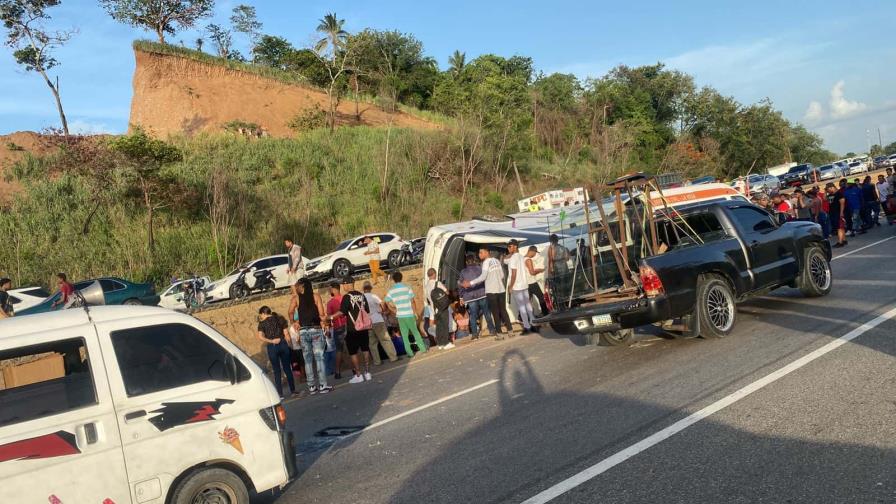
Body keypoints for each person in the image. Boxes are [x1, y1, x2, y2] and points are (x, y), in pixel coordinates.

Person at [328, 276, 374, 384]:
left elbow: (342, 312)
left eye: (344, 284)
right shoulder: (362, 295)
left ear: (348, 284)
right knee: (365, 349)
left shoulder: (347, 297)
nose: (343, 286)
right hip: (363, 327)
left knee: (353, 352)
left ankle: (358, 375)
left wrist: (330, 318)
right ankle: (367, 373)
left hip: (352, 329)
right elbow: (367, 310)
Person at [463, 246, 514, 339]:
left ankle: (499, 334)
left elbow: (483, 277)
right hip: (501, 289)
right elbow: (502, 275)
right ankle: (510, 331)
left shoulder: (486, 262)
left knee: (495, 312)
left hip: (491, 291)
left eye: (481, 252)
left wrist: (470, 283)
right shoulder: (497, 261)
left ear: (487, 252)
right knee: (503, 310)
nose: (479, 255)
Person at [292, 278, 332, 394]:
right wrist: (325, 323)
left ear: (302, 286)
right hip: (316, 329)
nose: (296, 287)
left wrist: (293, 321)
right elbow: (321, 314)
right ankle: (323, 385)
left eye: (298, 285)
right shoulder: (316, 297)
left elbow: (290, 311)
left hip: (303, 331)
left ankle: (311, 387)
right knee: (319, 357)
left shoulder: (296, 298)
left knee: (307, 359)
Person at [256, 306, 296, 398]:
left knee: (277, 371)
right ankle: (293, 391)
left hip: (272, 346)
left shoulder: (262, 324)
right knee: (287, 368)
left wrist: (271, 341)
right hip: (283, 344)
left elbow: (260, 336)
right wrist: (290, 345)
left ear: (263, 313)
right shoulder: (280, 319)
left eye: (260, 315)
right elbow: (286, 333)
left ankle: (280, 394)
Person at [384, 271, 428, 357]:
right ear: (401, 278)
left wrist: (393, 310)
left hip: (400, 315)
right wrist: (415, 312)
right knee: (415, 332)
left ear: (393, 280)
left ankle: (409, 353)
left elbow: (386, 301)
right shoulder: (407, 287)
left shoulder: (391, 290)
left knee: (404, 335)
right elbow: (412, 301)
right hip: (409, 314)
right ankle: (422, 348)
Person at [457, 254, 495, 339]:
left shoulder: (463, 272)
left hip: (470, 297)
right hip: (482, 294)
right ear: (474, 261)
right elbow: (486, 279)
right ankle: (492, 330)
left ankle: (474, 334)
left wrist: (461, 297)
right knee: (486, 313)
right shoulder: (480, 268)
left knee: (473, 315)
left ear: (466, 262)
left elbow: (460, 285)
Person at [363, 280, 399, 365]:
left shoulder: (361, 298)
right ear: (370, 288)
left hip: (368, 323)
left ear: (363, 289)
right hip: (378, 320)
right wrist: (381, 310)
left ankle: (377, 361)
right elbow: (382, 303)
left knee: (372, 343)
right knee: (385, 339)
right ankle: (393, 357)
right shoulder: (373, 296)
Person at [504, 240, 536, 334]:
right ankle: (533, 323)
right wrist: (509, 254)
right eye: (508, 246)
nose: (508, 248)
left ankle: (527, 326)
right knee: (527, 305)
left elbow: (514, 273)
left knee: (521, 307)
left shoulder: (513, 258)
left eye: (510, 246)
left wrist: (511, 286)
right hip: (524, 284)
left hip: (517, 286)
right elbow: (505, 260)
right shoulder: (521, 256)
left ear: (515, 247)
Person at [325, 281, 346, 379]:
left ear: (333, 289)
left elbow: (328, 318)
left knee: (339, 350)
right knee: (352, 348)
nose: (329, 291)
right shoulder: (345, 298)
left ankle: (337, 372)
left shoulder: (330, 303)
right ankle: (356, 369)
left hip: (338, 327)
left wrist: (327, 328)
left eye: (330, 289)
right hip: (349, 325)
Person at [547, 234, 571, 307]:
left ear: (551, 240)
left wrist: (550, 269)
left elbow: (551, 259)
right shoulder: (563, 247)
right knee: (565, 282)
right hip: (564, 266)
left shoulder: (551, 248)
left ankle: (561, 302)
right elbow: (567, 258)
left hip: (556, 266)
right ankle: (567, 299)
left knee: (558, 285)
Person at [524, 246, 549, 315]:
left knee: (528, 301)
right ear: (533, 251)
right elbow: (532, 272)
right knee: (541, 297)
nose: (535, 255)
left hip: (525, 283)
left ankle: (527, 316)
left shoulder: (522, 259)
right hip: (532, 282)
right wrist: (540, 271)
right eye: (535, 253)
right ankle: (546, 313)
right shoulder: (528, 260)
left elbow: (527, 271)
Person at [826, 182, 847, 248]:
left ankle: (840, 242)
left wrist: (841, 213)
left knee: (839, 227)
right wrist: (825, 191)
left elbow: (842, 203)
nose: (827, 190)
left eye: (828, 189)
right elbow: (824, 199)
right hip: (832, 213)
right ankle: (844, 240)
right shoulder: (830, 194)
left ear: (832, 187)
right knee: (840, 227)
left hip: (838, 212)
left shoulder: (839, 194)